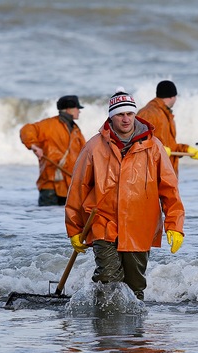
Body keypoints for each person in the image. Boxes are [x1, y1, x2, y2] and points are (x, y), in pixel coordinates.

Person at [65, 88, 185, 301]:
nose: (126, 119)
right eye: (120, 114)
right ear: (111, 116)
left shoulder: (154, 146)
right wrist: (74, 228)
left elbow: (170, 188)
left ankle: (133, 330)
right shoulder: (93, 147)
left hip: (140, 224)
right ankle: (104, 326)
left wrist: (174, 225)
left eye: (129, 114)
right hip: (103, 220)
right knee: (107, 278)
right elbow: (78, 188)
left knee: (135, 285)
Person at [20, 95, 86, 206]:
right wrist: (33, 146)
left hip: (70, 188)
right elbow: (27, 129)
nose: (79, 111)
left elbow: (85, 155)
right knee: (46, 221)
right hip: (50, 188)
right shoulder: (48, 125)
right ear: (69, 109)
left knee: (59, 222)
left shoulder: (76, 130)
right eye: (77, 108)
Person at [137, 80, 198, 175]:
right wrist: (158, 150)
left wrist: (186, 149)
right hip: (153, 175)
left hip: (167, 175)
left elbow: (169, 146)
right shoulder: (148, 113)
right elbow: (137, 142)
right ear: (172, 96)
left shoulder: (166, 114)